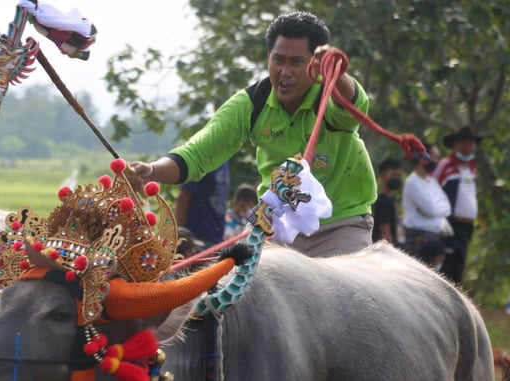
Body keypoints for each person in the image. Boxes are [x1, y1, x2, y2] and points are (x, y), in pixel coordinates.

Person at [129, 11, 377, 257]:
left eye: (296, 62)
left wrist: (337, 71)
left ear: (316, 64)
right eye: (278, 60)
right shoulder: (252, 102)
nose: (285, 71)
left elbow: (355, 105)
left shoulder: (331, 94)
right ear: (268, 57)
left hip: (342, 226)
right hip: (274, 228)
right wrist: (151, 171)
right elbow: (196, 155)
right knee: (236, 292)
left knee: (347, 294)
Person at [436, 126, 484, 284]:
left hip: (465, 228)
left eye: (470, 144)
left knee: (458, 270)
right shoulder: (446, 165)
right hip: (450, 226)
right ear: (455, 145)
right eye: (463, 143)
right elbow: (433, 188)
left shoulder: (471, 168)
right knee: (446, 270)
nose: (467, 147)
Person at [401, 144, 451, 266]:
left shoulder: (432, 182)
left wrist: (436, 207)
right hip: (419, 236)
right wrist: (437, 207)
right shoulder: (412, 182)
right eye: (434, 158)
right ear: (423, 158)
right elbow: (430, 209)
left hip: (434, 236)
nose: (436, 162)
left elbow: (448, 208)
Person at [173, 161, 230, 245]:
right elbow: (184, 197)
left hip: (216, 238)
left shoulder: (224, 159)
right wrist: (179, 236)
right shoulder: (201, 159)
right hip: (195, 240)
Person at [371, 158, 404, 245]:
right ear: (383, 175)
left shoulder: (390, 200)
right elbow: (385, 231)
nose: (397, 179)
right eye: (393, 175)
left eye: (399, 176)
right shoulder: (384, 201)